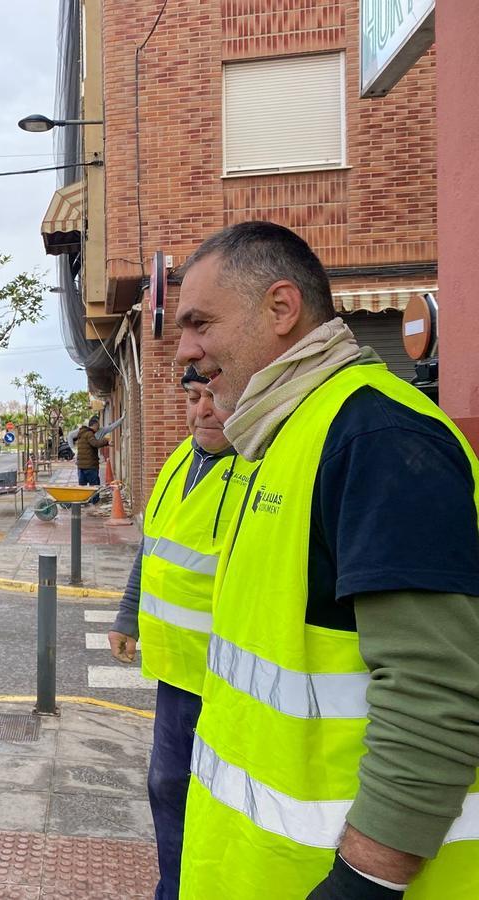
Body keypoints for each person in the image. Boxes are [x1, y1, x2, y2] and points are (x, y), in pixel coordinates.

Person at [174, 221, 479, 898]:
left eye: (199, 323)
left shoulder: (377, 438)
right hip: (257, 869)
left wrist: (363, 882)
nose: (187, 352)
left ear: (281, 307)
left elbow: (434, 690)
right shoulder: (279, 435)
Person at [107, 365, 254, 900]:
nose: (203, 410)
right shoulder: (177, 461)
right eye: (194, 397)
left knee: (220, 805)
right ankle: (172, 887)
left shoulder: (259, 470)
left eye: (216, 396)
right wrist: (128, 615)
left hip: (234, 681)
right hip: (177, 673)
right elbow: (153, 546)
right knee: (167, 787)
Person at [70, 415, 109, 484]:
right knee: (94, 487)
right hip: (90, 466)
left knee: (83, 488)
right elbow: (95, 443)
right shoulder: (89, 433)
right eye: (98, 426)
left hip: (81, 466)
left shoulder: (81, 433)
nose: (98, 428)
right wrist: (106, 441)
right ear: (95, 425)